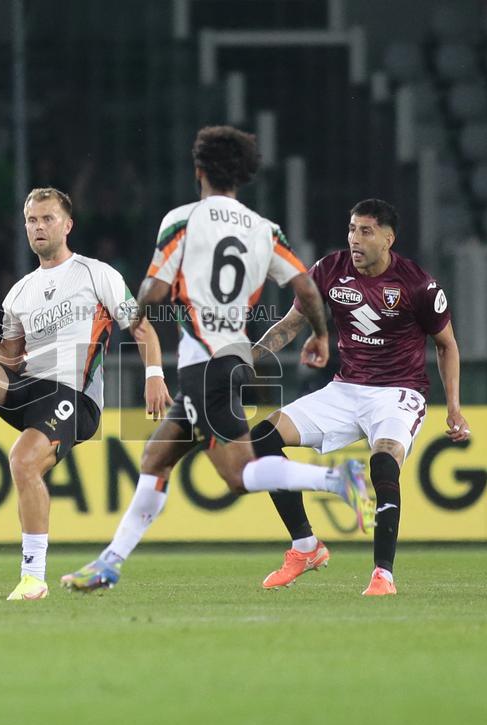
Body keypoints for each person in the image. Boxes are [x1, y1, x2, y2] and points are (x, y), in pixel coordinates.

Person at [61, 125, 371, 594]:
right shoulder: (265, 229)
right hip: (230, 361)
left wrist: (139, 309)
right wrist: (322, 336)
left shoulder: (183, 219)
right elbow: (306, 287)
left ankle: (337, 479)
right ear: (241, 175)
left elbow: (157, 289)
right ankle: (110, 562)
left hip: (204, 364)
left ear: (199, 170)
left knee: (239, 474)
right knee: (156, 457)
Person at [0, 187, 173, 601]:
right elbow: (9, 358)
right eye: (32, 220)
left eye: (47, 218)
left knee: (23, 462)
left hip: (72, 395)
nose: (39, 227)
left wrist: (154, 374)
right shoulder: (20, 292)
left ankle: (34, 578)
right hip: (27, 388)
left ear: (67, 225)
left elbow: (141, 325)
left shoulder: (97, 273)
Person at [245, 198, 469, 595]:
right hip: (346, 388)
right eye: (351, 229)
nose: (355, 239)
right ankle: (305, 547)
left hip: (399, 392)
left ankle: (383, 574)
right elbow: (290, 324)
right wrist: (247, 358)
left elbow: (446, 345)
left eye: (365, 231)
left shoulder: (418, 284)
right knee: (262, 437)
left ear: (388, 238)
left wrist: (454, 408)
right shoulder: (329, 270)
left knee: (383, 463)